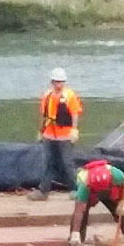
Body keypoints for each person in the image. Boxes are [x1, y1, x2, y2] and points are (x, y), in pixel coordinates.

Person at [31, 67, 83, 201]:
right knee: (49, 162)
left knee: (67, 163)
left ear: (64, 82)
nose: (58, 84)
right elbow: (44, 115)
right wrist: (41, 130)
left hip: (65, 135)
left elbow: (74, 114)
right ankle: (43, 191)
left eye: (60, 82)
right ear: (52, 82)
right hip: (49, 134)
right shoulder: (47, 95)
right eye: (56, 81)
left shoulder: (69, 96)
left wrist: (74, 130)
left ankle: (75, 189)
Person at [68, 160, 124, 246]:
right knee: (82, 215)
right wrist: (75, 233)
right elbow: (79, 210)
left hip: (110, 190)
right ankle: (77, 241)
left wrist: (123, 203)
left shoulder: (117, 175)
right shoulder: (84, 183)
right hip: (91, 193)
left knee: (122, 213)